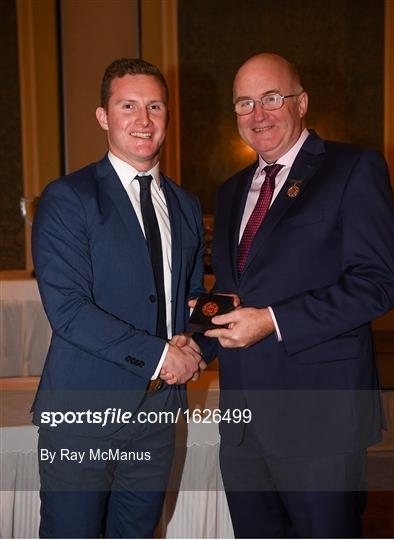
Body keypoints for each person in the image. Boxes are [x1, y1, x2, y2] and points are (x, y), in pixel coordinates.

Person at [198, 53, 394, 538]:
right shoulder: (229, 192)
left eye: (271, 98)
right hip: (244, 422)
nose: (257, 114)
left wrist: (272, 320)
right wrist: (195, 337)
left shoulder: (353, 168)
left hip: (320, 422)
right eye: (244, 103)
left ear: (302, 101)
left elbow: (375, 284)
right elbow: (233, 294)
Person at [32, 58, 205, 538]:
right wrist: (159, 357)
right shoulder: (69, 198)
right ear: (103, 117)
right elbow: (68, 311)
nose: (143, 120)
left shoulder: (186, 205)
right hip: (83, 414)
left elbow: (190, 298)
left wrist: (196, 348)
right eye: (128, 106)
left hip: (157, 416)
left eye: (155, 106)